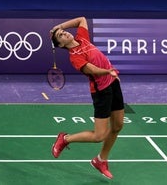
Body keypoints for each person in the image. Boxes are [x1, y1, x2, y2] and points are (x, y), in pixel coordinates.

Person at [50, 17, 124, 179]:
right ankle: (65, 139)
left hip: (113, 83)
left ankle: (100, 160)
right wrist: (108, 71)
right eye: (61, 36)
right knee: (99, 136)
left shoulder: (82, 38)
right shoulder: (74, 57)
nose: (65, 34)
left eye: (64, 32)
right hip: (101, 91)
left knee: (118, 125)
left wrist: (59, 25)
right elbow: (92, 69)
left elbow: (81, 20)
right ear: (61, 45)